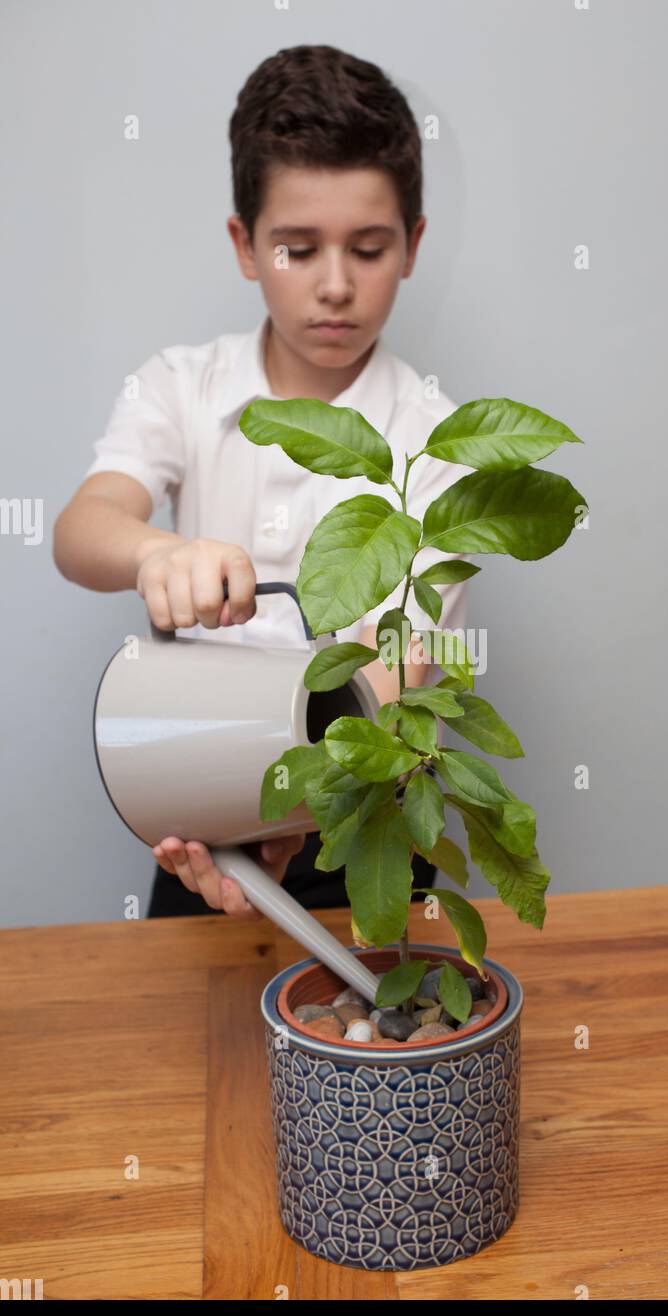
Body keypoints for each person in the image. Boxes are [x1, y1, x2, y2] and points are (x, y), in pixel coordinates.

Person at [53, 44, 473, 920]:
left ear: (413, 245)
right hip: (197, 822)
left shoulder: (438, 438)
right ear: (246, 246)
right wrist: (155, 552)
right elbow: (82, 528)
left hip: (366, 830)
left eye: (367, 249)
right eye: (297, 248)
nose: (333, 286)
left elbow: (406, 663)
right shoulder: (182, 384)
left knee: (374, 1035)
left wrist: (289, 813)